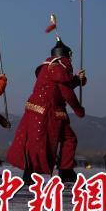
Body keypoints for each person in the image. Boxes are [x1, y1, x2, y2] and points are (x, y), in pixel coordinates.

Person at [6, 37, 87, 183]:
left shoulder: (49, 67)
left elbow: (61, 86)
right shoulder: (60, 67)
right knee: (56, 140)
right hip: (49, 112)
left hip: (37, 109)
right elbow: (66, 92)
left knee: (34, 141)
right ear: (66, 57)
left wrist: (76, 80)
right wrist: (78, 110)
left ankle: (37, 173)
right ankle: (64, 170)